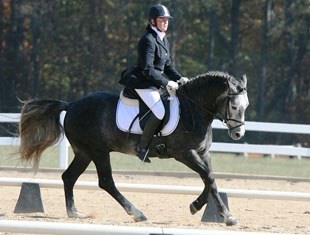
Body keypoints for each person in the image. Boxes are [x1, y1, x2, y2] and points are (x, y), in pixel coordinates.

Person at [119, 4, 188, 163]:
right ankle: (142, 147)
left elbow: (168, 66)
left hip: (155, 82)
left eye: (166, 20)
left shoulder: (163, 40)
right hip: (143, 82)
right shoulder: (148, 40)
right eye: (161, 20)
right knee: (160, 111)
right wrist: (166, 83)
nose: (165, 22)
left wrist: (179, 78)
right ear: (152, 21)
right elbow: (148, 69)